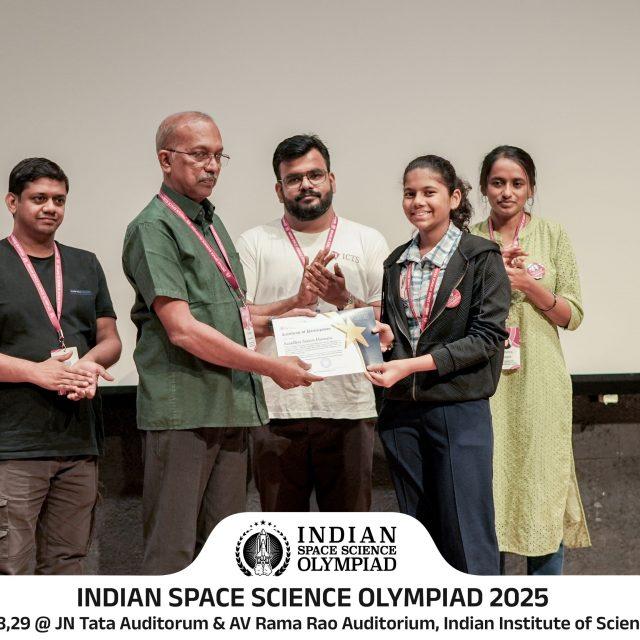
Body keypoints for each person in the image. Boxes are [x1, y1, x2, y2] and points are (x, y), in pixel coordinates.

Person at [122, 112, 322, 575]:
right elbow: (182, 329)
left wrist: (286, 313)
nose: (211, 166)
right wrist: (269, 366)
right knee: (172, 553)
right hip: (186, 412)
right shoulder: (154, 226)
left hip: (230, 406)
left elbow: (231, 315)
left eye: (217, 155)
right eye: (199, 154)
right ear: (165, 160)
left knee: (226, 554)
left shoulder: (209, 221)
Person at [366, 154, 510, 575]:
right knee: (419, 539)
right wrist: (388, 341)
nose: (418, 202)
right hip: (401, 413)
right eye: (409, 193)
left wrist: (410, 365)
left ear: (454, 197)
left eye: (429, 192)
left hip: (458, 409)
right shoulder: (396, 261)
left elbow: (487, 338)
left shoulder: (480, 256)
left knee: (467, 534)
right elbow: (403, 332)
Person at [237, 134, 390, 512]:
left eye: (315, 175)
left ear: (331, 180)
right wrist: (295, 302)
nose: (306, 184)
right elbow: (239, 318)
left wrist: (343, 299)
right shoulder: (253, 242)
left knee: (349, 535)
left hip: (349, 408)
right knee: (280, 534)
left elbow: (386, 321)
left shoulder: (368, 240)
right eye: (294, 179)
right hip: (276, 410)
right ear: (279, 190)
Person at [471, 145, 590, 575]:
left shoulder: (553, 235)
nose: (507, 192)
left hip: (541, 380)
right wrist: (494, 280)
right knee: (488, 488)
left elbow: (573, 315)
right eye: (498, 183)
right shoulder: (468, 239)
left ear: (531, 189)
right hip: (483, 382)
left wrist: (529, 285)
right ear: (484, 188)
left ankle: (546, 600)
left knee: (542, 484)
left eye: (517, 183)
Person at [0, 157, 121, 574]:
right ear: (12, 202)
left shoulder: (85, 263)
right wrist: (36, 372)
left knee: (67, 566)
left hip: (78, 443)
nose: (50, 207)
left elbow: (110, 339)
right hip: (14, 447)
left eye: (59, 200)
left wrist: (86, 366)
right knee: (11, 566)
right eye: (39, 198)